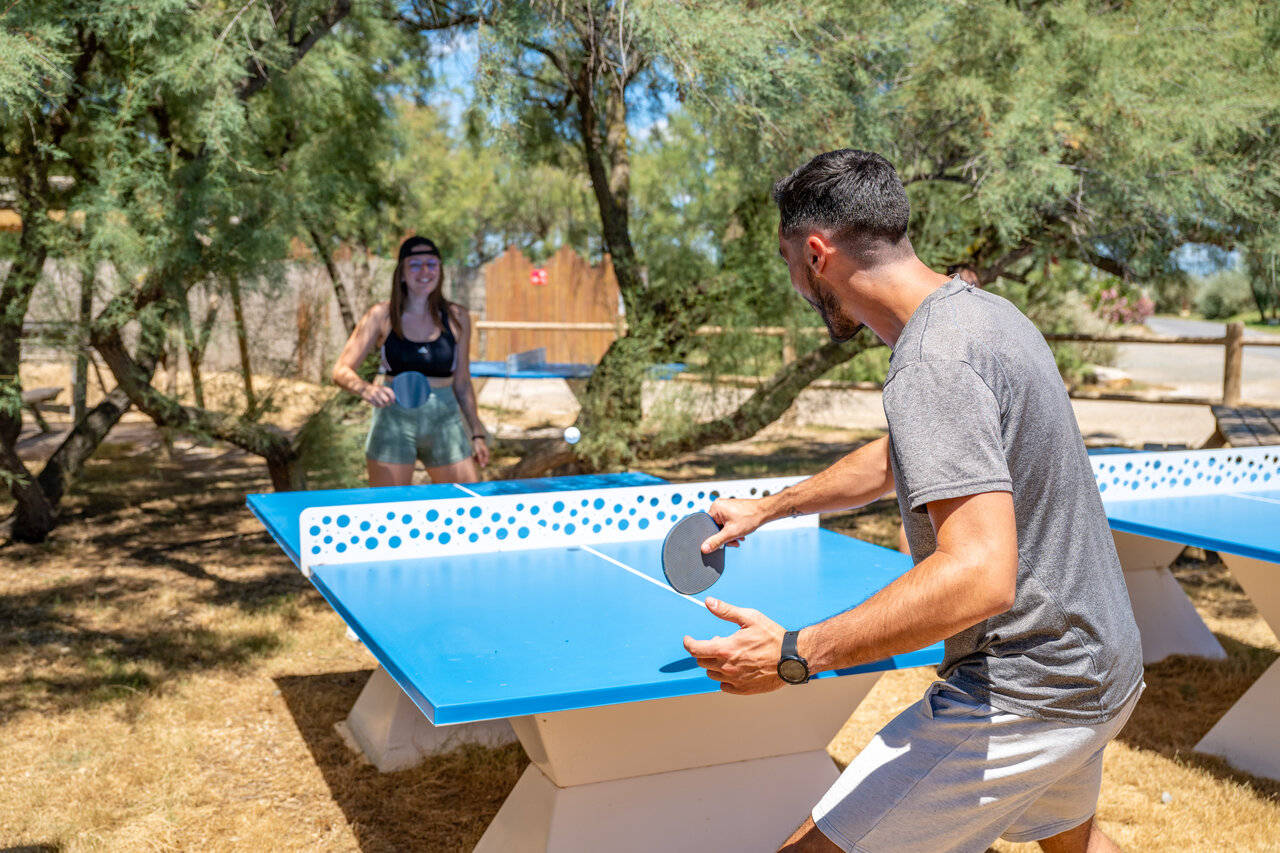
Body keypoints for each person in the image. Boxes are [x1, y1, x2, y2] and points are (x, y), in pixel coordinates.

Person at [683, 149, 1143, 853]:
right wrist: (771, 506)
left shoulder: (931, 361)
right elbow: (901, 456)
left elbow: (979, 575)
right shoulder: (985, 315)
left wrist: (794, 653)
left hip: (1028, 689)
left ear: (816, 254)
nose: (796, 284)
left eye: (788, 262)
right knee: (1071, 842)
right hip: (1101, 661)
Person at [332, 236, 489, 486]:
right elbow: (341, 370)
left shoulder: (457, 317)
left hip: (444, 421)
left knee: (467, 500)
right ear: (402, 274)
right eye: (415, 264)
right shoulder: (381, 315)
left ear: (440, 271)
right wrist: (365, 389)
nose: (425, 271)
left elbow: (462, 383)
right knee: (389, 506)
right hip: (393, 420)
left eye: (431, 264)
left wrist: (477, 434)